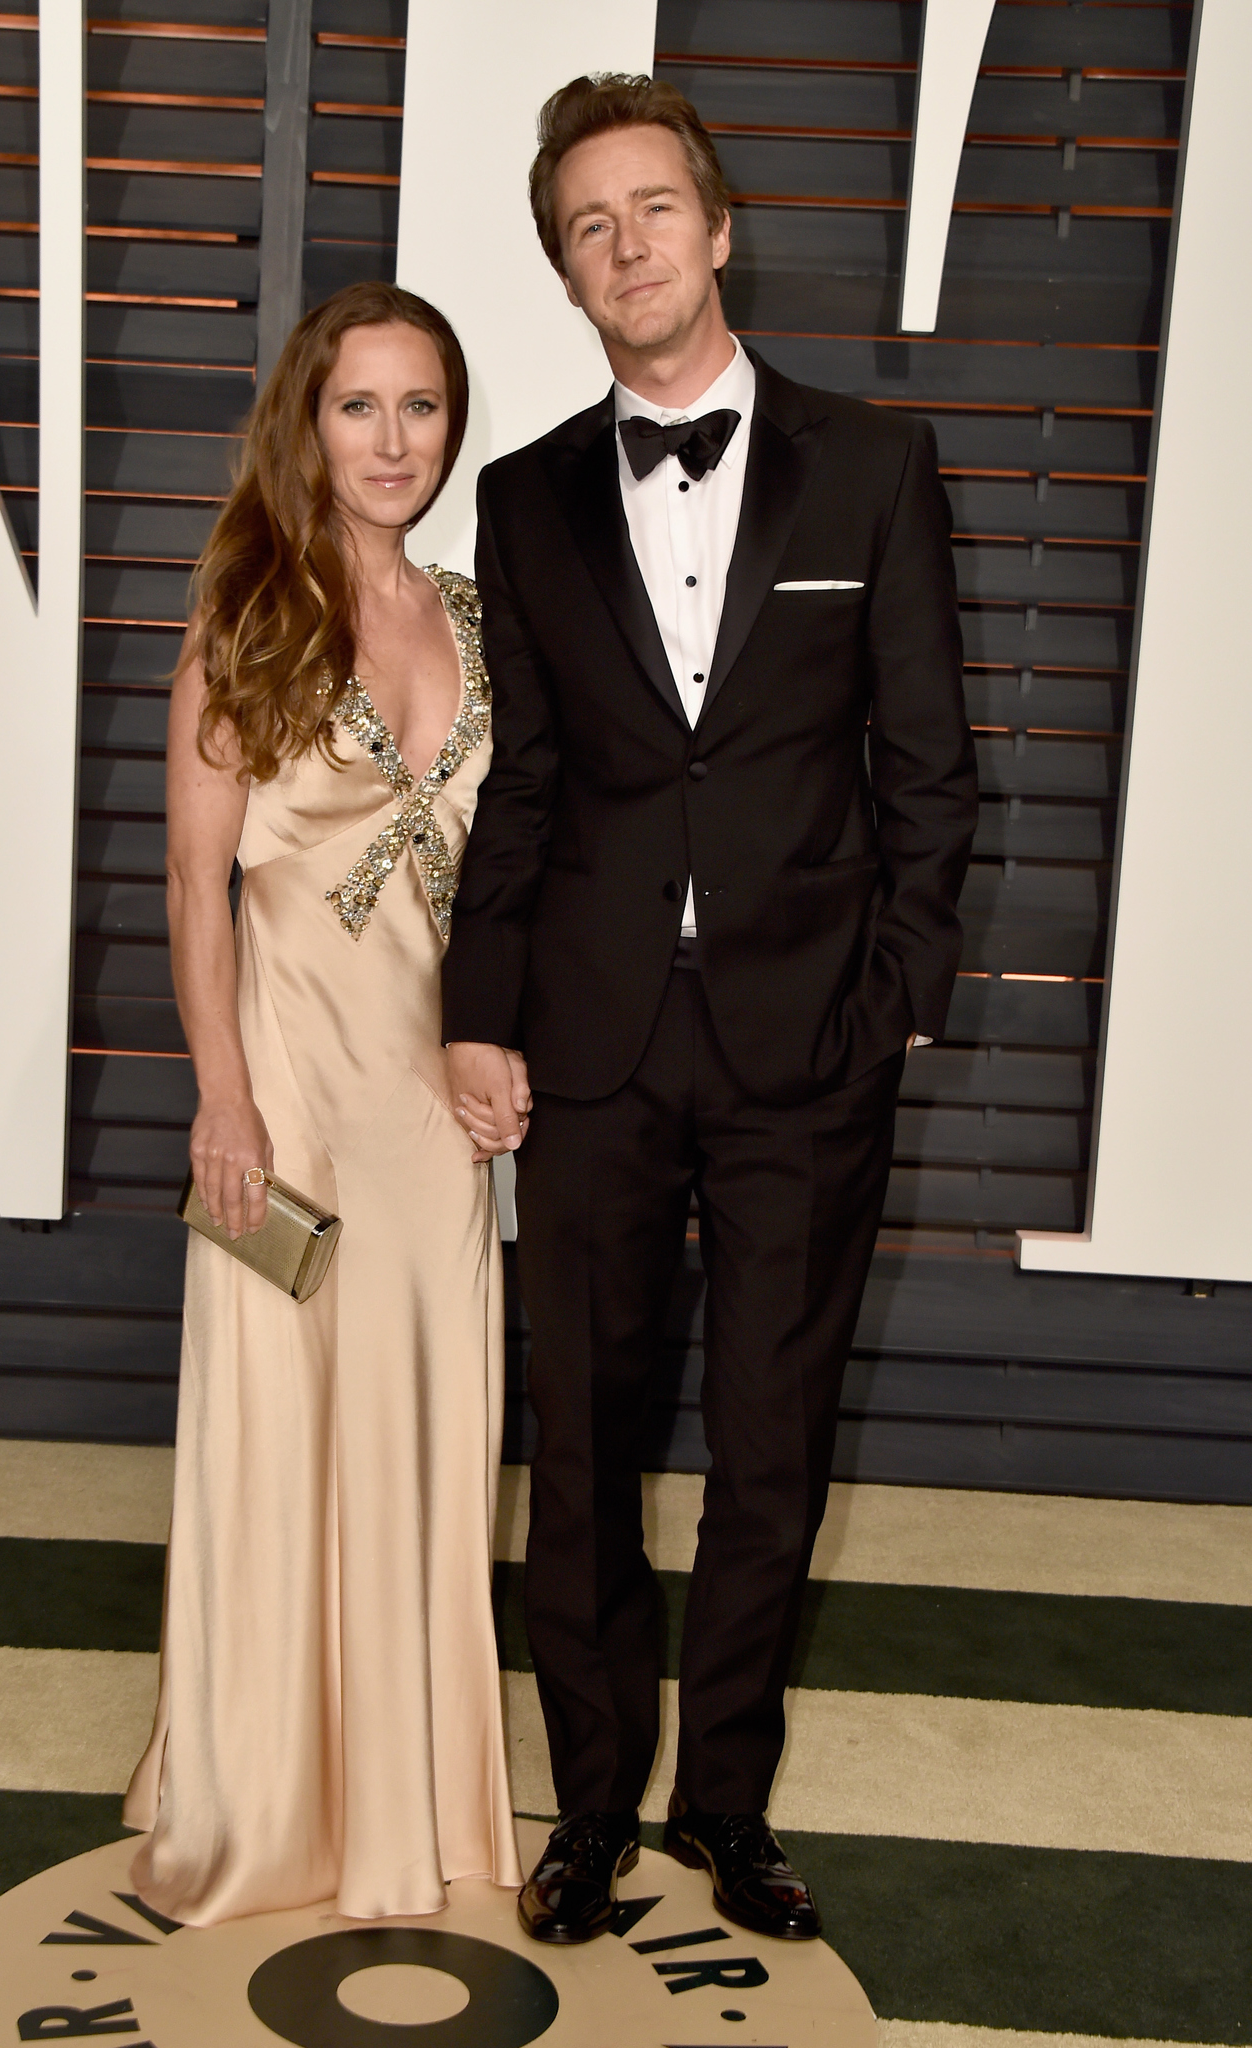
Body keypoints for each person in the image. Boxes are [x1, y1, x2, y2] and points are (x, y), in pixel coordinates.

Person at [444, 76, 977, 1945]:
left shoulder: (873, 467)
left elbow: (931, 764)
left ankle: (725, 1807)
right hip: (589, 1040)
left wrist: (898, 997)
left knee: (772, 1436)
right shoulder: (520, 503)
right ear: (566, 274)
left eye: (654, 208)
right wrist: (473, 1012)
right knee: (577, 1441)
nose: (628, 245)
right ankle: (591, 1804)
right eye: (590, 227)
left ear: (719, 227)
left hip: (806, 1041)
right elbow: (523, 788)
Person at [124, 280, 521, 1924]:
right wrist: (222, 1098)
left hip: (433, 1108)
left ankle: (409, 1805)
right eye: (359, 406)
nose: (391, 440)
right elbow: (194, 880)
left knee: (429, 1440)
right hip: (285, 1086)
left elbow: (526, 870)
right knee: (279, 1437)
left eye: (420, 407)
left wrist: (512, 1046)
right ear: (307, 420)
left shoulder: (485, 616)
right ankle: (264, 1800)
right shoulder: (246, 610)